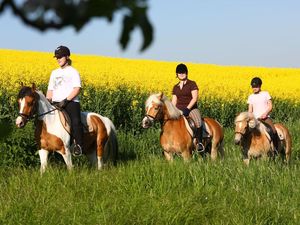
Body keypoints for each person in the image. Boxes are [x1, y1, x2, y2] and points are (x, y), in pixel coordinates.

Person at [46, 45, 83, 156]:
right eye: (56, 57)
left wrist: (66, 101)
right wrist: (48, 101)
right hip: (55, 103)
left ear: (67, 57)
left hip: (70, 102)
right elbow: (50, 90)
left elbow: (77, 88)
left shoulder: (73, 71)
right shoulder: (54, 73)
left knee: (76, 121)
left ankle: (78, 146)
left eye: (60, 57)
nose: (58, 59)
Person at [171, 63, 204, 152]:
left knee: (198, 121)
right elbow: (174, 101)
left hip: (191, 109)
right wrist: (172, 111)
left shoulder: (192, 84)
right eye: (179, 72)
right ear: (176, 74)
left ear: (186, 73)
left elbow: (195, 98)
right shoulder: (175, 87)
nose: (181, 74)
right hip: (178, 109)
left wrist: (187, 109)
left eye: (183, 72)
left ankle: (200, 143)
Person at [247, 77, 278, 152]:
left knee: (273, 131)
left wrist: (265, 113)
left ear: (260, 86)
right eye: (253, 87)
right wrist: (250, 117)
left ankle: (275, 149)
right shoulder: (251, 97)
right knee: (246, 132)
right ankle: (246, 149)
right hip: (255, 120)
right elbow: (250, 110)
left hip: (265, 118)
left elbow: (270, 106)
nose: (254, 88)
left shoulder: (265, 94)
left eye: (256, 86)